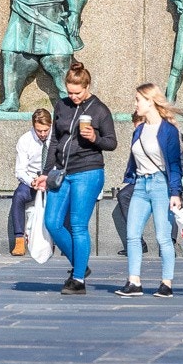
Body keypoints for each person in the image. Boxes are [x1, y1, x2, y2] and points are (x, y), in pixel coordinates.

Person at [47, 60, 117, 295]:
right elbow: (54, 141)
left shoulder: (99, 109)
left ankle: (78, 280)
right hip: (62, 172)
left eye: (77, 93)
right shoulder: (61, 106)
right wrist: (45, 172)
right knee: (52, 223)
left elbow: (111, 142)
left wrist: (94, 138)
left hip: (88, 171)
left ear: (87, 87)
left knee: (77, 225)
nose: (73, 97)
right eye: (69, 92)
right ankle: (80, 264)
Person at [114, 85, 183, 299]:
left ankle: (166, 282)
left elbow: (174, 165)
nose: (135, 104)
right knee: (132, 234)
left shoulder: (168, 130)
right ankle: (134, 281)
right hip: (141, 185)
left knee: (163, 237)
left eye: (138, 99)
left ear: (150, 101)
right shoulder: (139, 129)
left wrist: (175, 193)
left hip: (160, 185)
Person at [9, 108, 51, 256]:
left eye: (46, 130)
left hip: (52, 180)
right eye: (39, 130)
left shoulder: (56, 139)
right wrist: (32, 181)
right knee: (19, 196)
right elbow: (20, 170)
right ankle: (19, 240)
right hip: (33, 180)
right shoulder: (25, 140)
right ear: (34, 126)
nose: (43, 134)